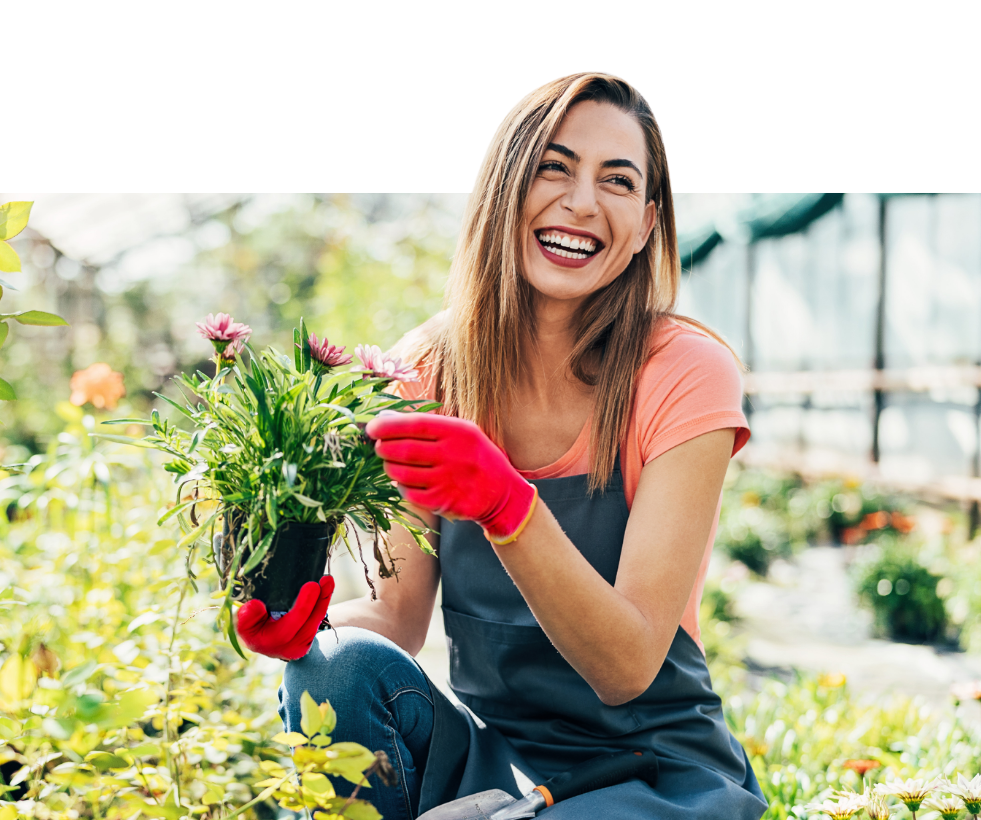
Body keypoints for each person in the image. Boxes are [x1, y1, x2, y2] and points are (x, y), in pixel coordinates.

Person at [235, 73, 767, 819]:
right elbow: (396, 619)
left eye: (617, 181)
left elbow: (629, 664)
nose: (582, 202)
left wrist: (507, 506)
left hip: (656, 775)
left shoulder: (681, 373)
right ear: (504, 188)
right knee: (339, 671)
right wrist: (304, 625)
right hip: (494, 764)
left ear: (646, 225)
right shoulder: (423, 371)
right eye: (555, 166)